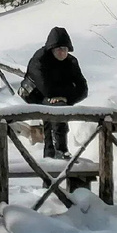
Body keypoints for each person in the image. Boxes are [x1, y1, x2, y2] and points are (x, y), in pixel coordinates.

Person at [20, 27, 88, 160]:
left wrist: (65, 98)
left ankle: (53, 154)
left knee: (58, 109)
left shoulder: (71, 62)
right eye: (58, 49)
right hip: (36, 95)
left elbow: (83, 89)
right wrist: (62, 94)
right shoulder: (39, 59)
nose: (62, 52)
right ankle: (59, 151)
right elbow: (45, 88)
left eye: (65, 49)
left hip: (60, 99)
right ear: (51, 49)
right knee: (56, 112)